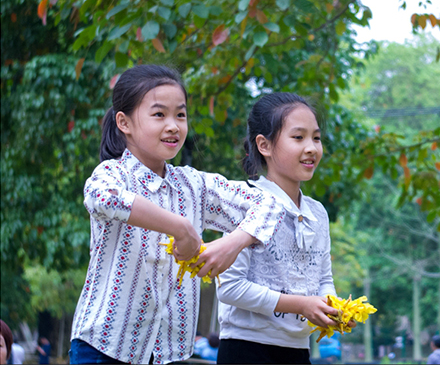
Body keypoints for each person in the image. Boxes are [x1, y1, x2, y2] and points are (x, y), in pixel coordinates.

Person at [69, 65, 285, 364]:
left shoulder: (194, 186)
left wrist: (231, 244)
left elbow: (270, 204)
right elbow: (102, 197)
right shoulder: (113, 174)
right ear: (124, 122)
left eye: (180, 115)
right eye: (159, 115)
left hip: (169, 354)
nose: (173, 125)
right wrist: (181, 228)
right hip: (104, 347)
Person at [217, 92, 347, 364]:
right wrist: (301, 305)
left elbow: (323, 278)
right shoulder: (243, 202)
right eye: (298, 137)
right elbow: (229, 288)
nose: (311, 147)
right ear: (264, 145)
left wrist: (332, 308)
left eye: (316, 138)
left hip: (299, 350)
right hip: (247, 349)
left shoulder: (317, 213)